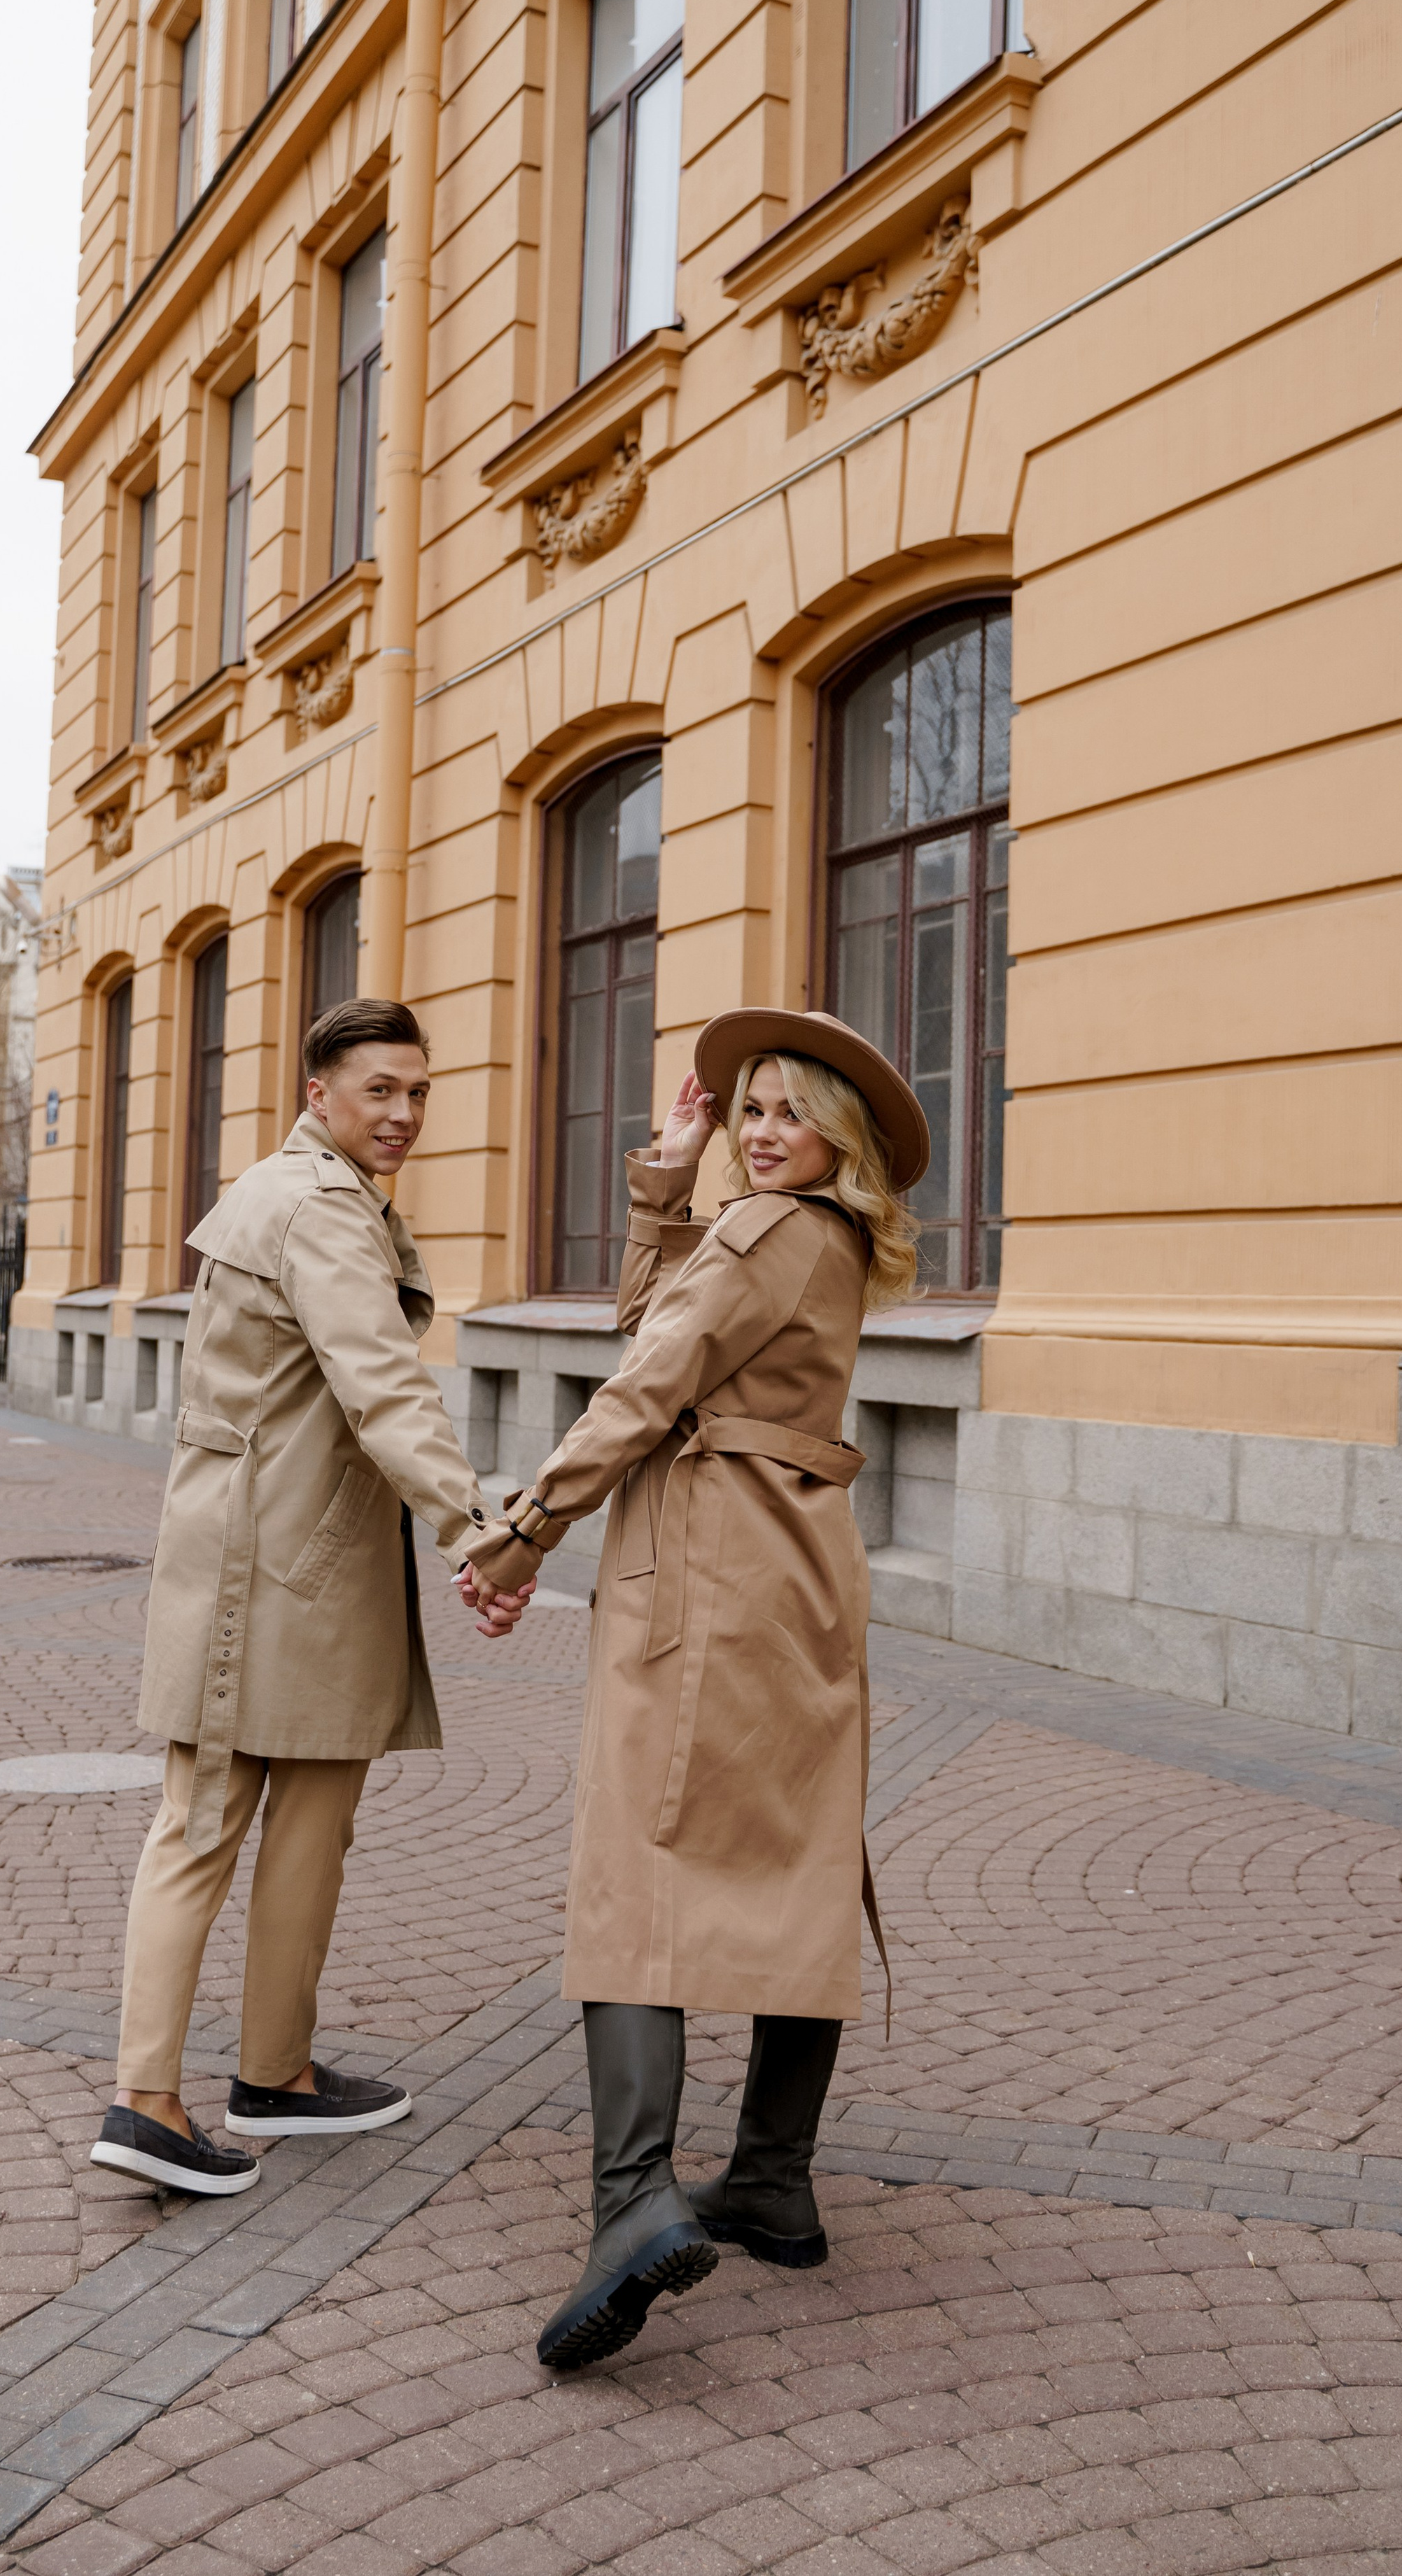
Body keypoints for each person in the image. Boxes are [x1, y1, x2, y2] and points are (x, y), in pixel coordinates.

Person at [461, 1007, 925, 2369]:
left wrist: (520, 1530)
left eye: (788, 1108)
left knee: (635, 1859)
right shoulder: (819, 1238)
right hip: (797, 1573)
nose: (760, 1126)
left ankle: (630, 2204)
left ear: (835, 1134)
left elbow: (643, 1376)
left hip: (707, 1570)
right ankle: (771, 2182)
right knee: (791, 1852)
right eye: (750, 1106)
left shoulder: (764, 1230)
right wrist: (670, 1178)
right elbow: (652, 1327)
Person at [92, 997, 527, 2202]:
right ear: (318, 1092)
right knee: (207, 1818)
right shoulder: (321, 1207)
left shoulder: (304, 1192)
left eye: (419, 1091)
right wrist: (482, 1534)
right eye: (379, 1088)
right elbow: (385, 1386)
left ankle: (275, 2072)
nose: (403, 1113)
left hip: (305, 1561)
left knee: (316, 1818)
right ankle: (145, 2096)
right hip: (265, 1567)